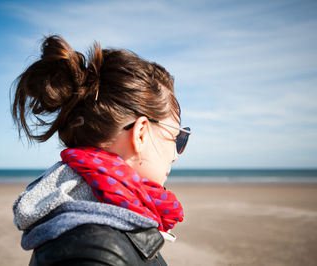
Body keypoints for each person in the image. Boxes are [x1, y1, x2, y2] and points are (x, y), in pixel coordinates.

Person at [11, 35, 191, 266]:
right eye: (176, 138)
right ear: (141, 133)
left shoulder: (109, 221)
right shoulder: (92, 253)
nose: (176, 154)